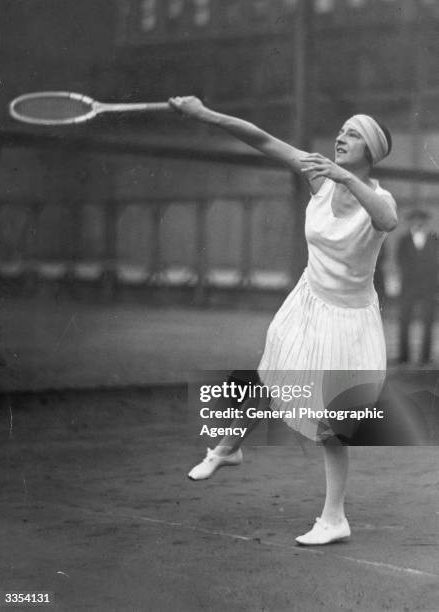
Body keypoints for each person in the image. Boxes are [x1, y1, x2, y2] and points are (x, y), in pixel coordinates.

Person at [169, 96, 397, 545]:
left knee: (333, 422)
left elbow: (387, 219)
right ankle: (227, 449)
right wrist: (205, 114)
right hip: (309, 299)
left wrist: (344, 176)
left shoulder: (378, 197)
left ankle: (335, 519)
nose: (340, 136)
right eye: (341, 129)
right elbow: (262, 139)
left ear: (370, 150)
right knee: (271, 376)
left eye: (352, 133)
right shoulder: (319, 176)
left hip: (350, 319)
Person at [396, 209, 438, 365]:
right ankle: (403, 357)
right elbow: (400, 262)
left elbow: (436, 263)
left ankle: (426, 357)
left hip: (429, 287)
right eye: (415, 219)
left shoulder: (435, 239)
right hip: (408, 287)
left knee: (428, 322)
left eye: (422, 219)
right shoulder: (403, 240)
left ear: (426, 221)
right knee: (404, 321)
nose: (418, 222)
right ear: (410, 221)